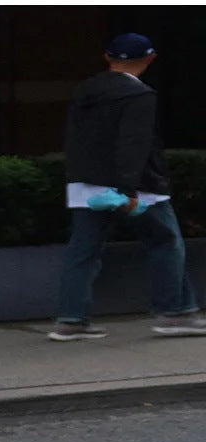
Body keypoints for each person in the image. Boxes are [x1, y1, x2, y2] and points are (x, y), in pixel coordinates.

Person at [48, 32, 206, 342]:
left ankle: (70, 320)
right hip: (137, 184)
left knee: (83, 251)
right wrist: (128, 190)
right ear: (149, 60)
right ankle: (175, 312)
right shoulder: (139, 96)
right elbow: (134, 144)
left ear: (107, 57)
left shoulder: (84, 91)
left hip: (86, 185)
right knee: (165, 242)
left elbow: (77, 140)